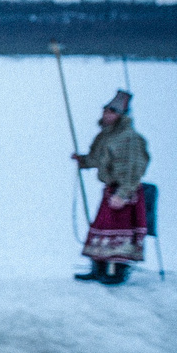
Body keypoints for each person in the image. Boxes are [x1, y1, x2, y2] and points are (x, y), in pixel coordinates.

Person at [72, 90, 150, 285]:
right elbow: (98, 158)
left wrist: (123, 194)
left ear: (121, 115)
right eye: (106, 111)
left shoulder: (129, 138)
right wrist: (83, 160)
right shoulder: (106, 136)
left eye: (112, 112)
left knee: (121, 233)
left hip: (124, 192)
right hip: (110, 190)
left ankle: (119, 272)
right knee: (102, 228)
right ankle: (97, 269)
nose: (107, 115)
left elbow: (133, 169)